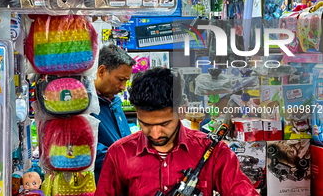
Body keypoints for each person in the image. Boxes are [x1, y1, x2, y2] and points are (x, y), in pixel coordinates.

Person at [95, 68, 260, 196]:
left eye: (164, 123)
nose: (155, 134)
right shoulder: (119, 153)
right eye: (145, 124)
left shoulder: (212, 151)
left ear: (181, 111)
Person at [91, 44, 135, 186]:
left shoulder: (113, 101)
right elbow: (85, 150)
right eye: (120, 79)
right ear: (102, 71)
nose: (123, 87)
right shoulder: (85, 105)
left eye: (126, 81)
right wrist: (128, 159)